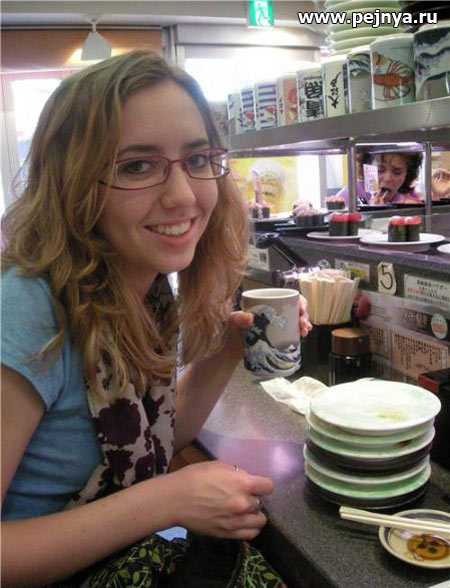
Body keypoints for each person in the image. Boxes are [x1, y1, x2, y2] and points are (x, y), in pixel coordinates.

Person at [1, 49, 311, 587]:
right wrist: (166, 500)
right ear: (72, 180)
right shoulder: (28, 308)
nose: (183, 196)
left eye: (198, 159)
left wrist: (226, 352)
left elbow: (152, 440)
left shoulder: (143, 289)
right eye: (136, 166)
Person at [336, 151, 450, 205]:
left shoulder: (408, 199)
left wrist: (439, 195)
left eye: (397, 172)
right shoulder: (351, 192)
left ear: (407, 175)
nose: (387, 178)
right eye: (380, 170)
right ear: (367, 167)